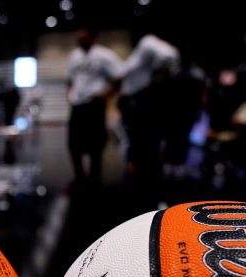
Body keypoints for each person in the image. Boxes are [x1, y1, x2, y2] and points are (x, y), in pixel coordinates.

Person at [118, 28, 180, 188]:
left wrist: (155, 78)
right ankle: (141, 177)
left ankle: (146, 182)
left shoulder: (148, 42)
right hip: (135, 103)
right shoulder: (139, 53)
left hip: (141, 103)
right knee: (137, 141)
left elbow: (170, 56)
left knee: (145, 143)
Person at [66, 27, 124, 187]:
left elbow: (119, 77)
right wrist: (70, 94)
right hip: (77, 105)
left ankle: (94, 177)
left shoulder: (104, 55)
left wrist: (106, 95)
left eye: (83, 37)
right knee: (73, 144)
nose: (80, 40)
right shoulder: (74, 56)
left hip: (94, 104)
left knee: (96, 144)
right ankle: (79, 176)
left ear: (92, 38)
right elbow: (70, 79)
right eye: (78, 38)